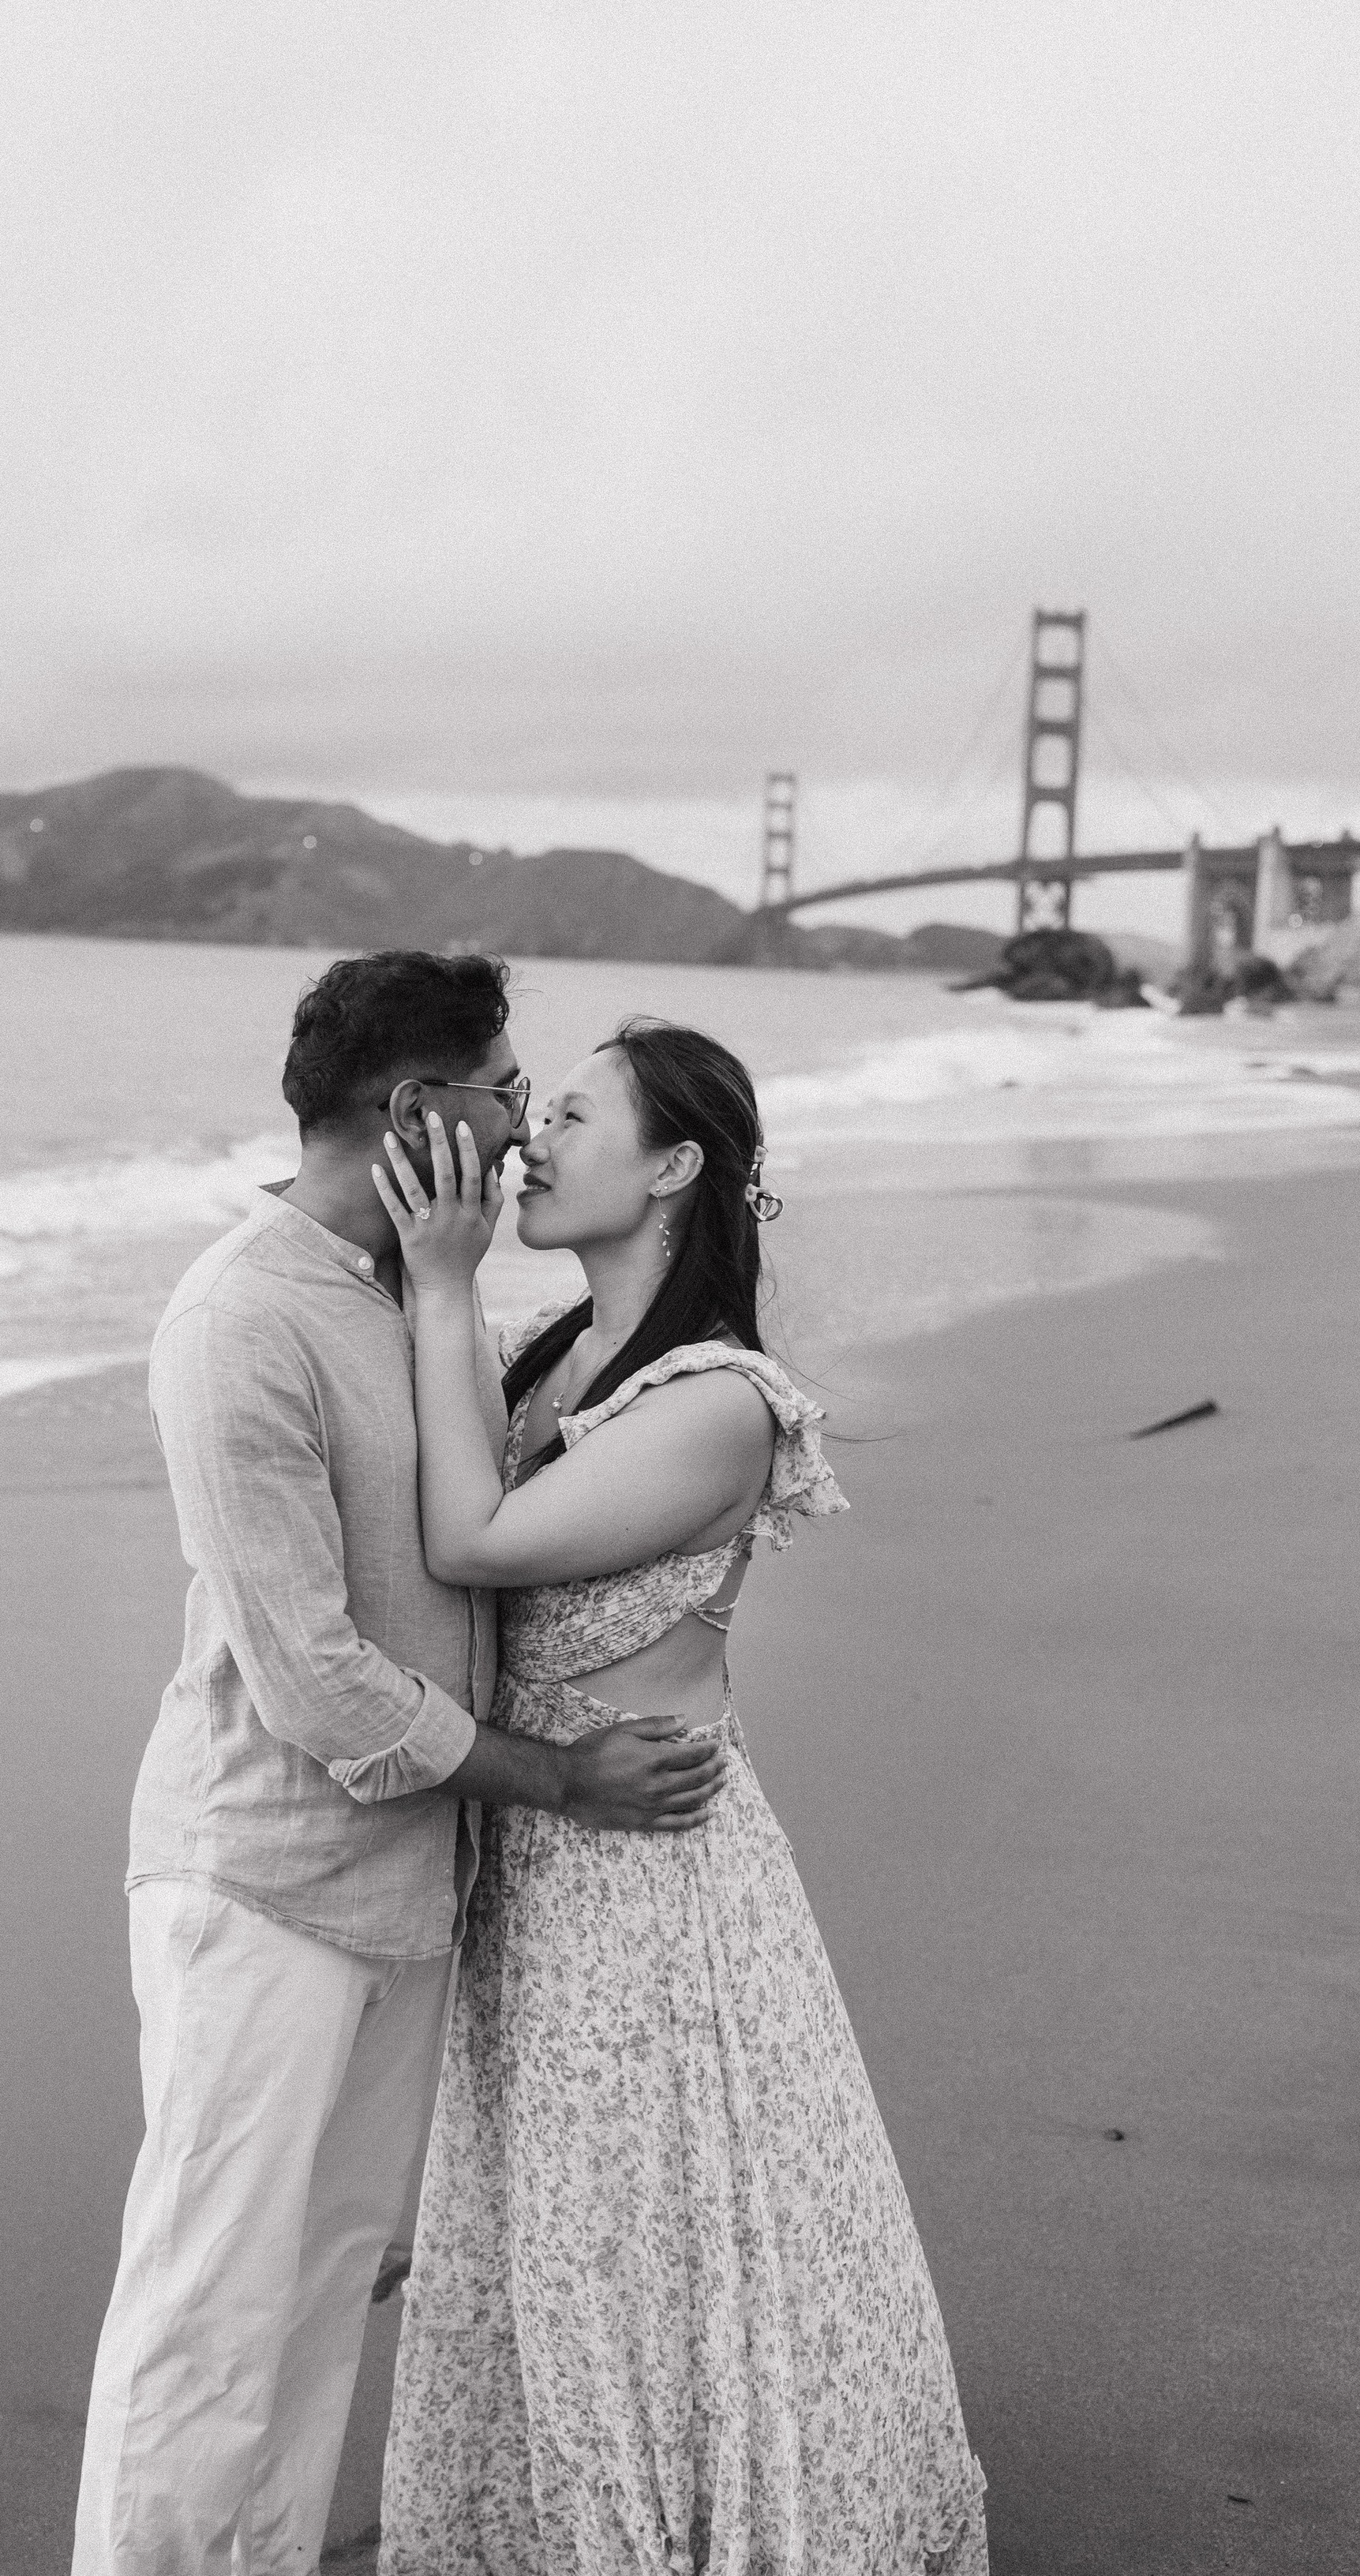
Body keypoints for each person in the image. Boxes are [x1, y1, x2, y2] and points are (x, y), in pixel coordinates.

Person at [72, 955, 730, 2576]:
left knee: (318, 2306)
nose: (522, 1126)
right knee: (207, 2317)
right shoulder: (241, 1320)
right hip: (260, 1884)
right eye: (504, 1091)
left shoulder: (411, 1295)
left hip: (403, 1893)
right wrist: (560, 1781)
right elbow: (312, 1680)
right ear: (410, 1110)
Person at [373, 1019, 990, 2575]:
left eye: (571, 1115)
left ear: (670, 1167)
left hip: (645, 1887)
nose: (531, 1139)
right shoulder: (554, 1361)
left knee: (640, 2240)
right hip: (538, 1857)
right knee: (554, 2232)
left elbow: (472, 1546)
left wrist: (440, 1281)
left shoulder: (714, 1401)